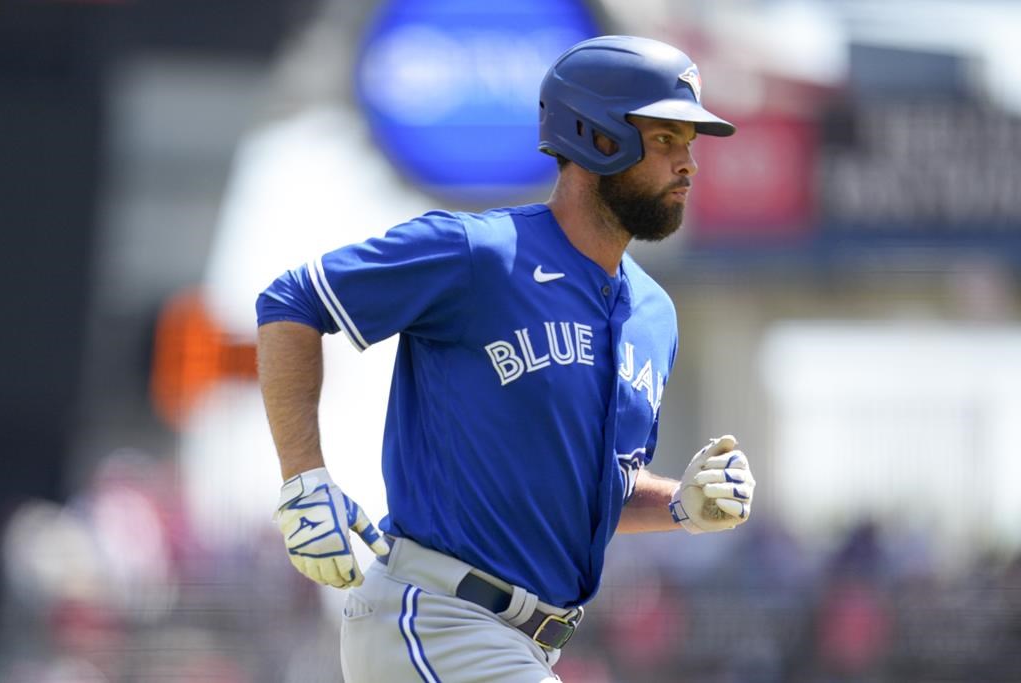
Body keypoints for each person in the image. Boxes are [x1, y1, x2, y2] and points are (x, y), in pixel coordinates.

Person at [256, 35, 756, 683]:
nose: (688, 163)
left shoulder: (652, 315)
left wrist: (681, 503)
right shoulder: (479, 253)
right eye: (666, 138)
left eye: (690, 143)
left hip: (523, 644)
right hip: (435, 619)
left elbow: (593, 489)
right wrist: (303, 476)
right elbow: (292, 300)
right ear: (598, 138)